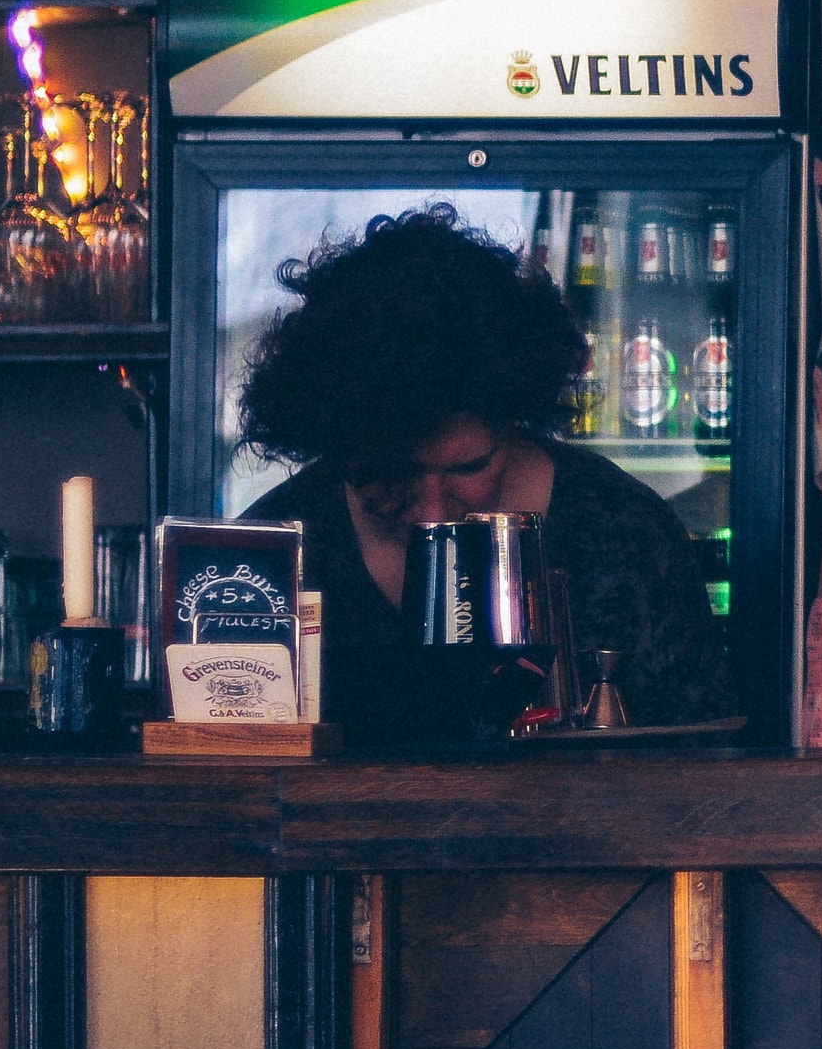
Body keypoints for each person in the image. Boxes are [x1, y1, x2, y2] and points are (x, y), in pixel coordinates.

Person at [237, 210, 736, 745]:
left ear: (514, 420)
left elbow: (699, 768)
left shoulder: (626, 534)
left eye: (468, 468)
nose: (431, 512)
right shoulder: (272, 551)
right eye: (387, 475)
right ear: (337, 445)